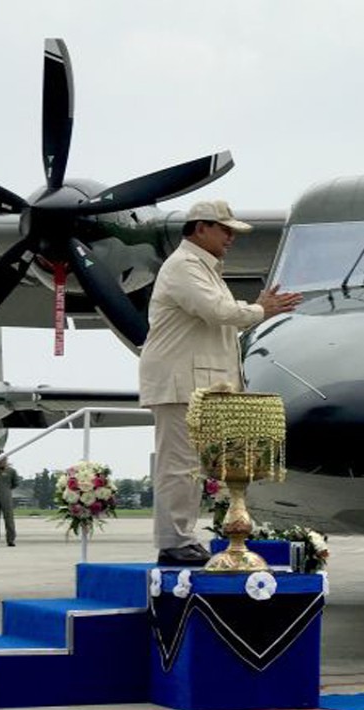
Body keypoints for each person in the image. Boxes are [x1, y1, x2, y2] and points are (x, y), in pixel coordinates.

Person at [138, 199, 302, 567]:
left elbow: (219, 315)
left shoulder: (200, 267)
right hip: (181, 381)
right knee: (178, 465)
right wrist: (262, 310)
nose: (230, 237)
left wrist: (254, 308)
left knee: (189, 466)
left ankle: (180, 537)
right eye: (224, 229)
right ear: (200, 228)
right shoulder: (184, 266)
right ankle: (173, 540)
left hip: (195, 383)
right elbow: (218, 312)